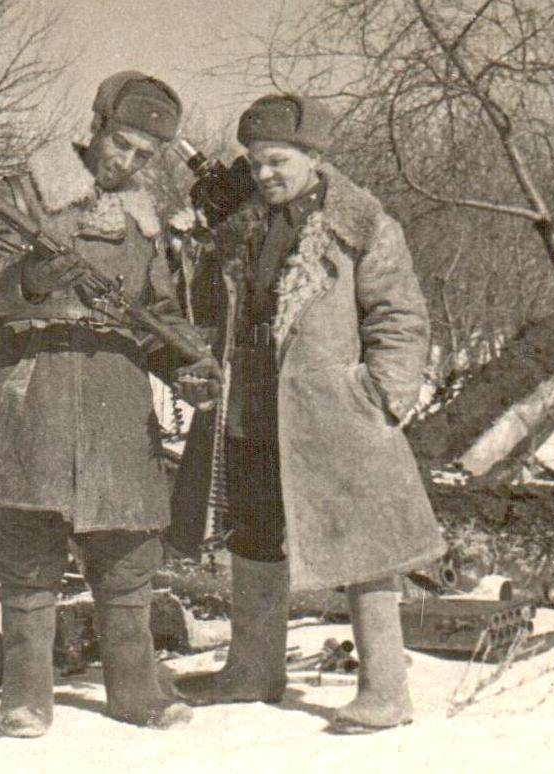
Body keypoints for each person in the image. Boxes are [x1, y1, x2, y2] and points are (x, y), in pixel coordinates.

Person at [0, 71, 220, 737]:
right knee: (28, 553)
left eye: (143, 155)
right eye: (120, 144)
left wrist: (182, 361)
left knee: (128, 553)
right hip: (32, 388)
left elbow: (151, 312)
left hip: (116, 400)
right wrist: (30, 279)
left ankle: (136, 690)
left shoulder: (143, 220)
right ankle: (27, 696)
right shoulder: (23, 194)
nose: (125, 162)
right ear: (95, 127)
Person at [173, 94, 446, 732]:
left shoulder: (362, 224)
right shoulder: (240, 221)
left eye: (277, 160)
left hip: (334, 410)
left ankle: (385, 690)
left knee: (364, 541)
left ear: (313, 157)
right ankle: (253, 670)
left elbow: (400, 316)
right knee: (256, 529)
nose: (265, 173)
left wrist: (380, 393)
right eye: (255, 162)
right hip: (252, 402)